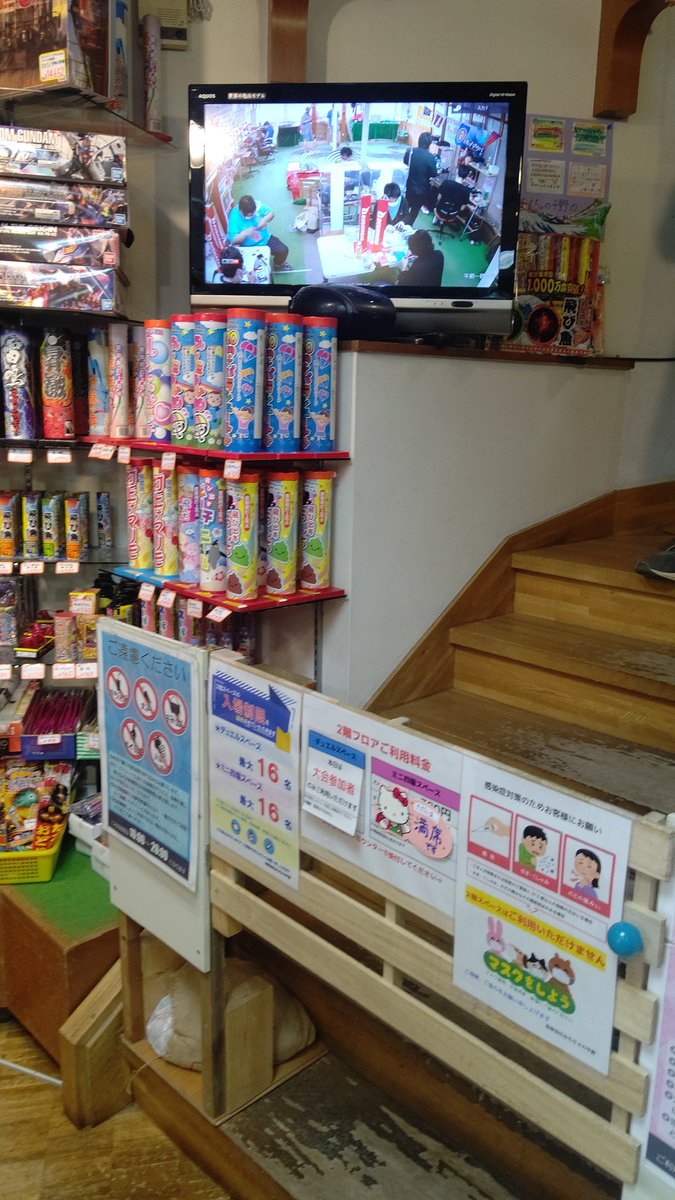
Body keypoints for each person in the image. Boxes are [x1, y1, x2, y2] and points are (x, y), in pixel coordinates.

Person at [226, 195, 293, 272]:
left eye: (253, 214)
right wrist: (245, 233)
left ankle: (278, 264)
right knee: (249, 268)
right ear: (241, 212)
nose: (252, 217)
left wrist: (264, 220)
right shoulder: (234, 216)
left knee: (283, 250)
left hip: (265, 239)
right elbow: (233, 240)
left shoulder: (257, 205)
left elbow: (271, 213)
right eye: (250, 215)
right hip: (248, 247)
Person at [404, 132, 441, 226]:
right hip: (422, 189)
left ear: (419, 140)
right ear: (429, 144)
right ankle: (408, 227)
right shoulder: (430, 157)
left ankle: (400, 225)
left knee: (404, 208)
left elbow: (405, 163)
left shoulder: (410, 152)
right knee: (415, 210)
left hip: (408, 186)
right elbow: (434, 174)